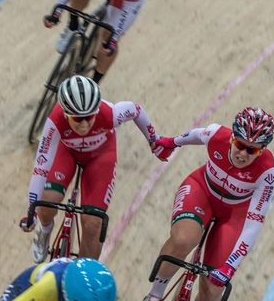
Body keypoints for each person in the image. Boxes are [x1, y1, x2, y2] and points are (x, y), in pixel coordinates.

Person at [138, 107, 274, 301]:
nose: (243, 153)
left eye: (252, 150)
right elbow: (191, 136)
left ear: (262, 150)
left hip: (234, 215)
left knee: (214, 287)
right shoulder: (216, 134)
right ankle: (154, 296)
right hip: (202, 190)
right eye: (240, 145)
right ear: (232, 137)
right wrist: (169, 142)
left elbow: (253, 224)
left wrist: (229, 268)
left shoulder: (267, 173)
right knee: (183, 239)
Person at [20, 74, 166, 262]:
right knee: (46, 202)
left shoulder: (109, 113)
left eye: (89, 117)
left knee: (93, 225)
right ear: (65, 113)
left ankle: (83, 273)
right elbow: (41, 168)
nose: (84, 124)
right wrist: (31, 212)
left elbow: (136, 110)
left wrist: (154, 140)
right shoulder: (55, 121)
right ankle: (45, 229)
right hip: (67, 152)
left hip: (100, 156)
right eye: (77, 118)